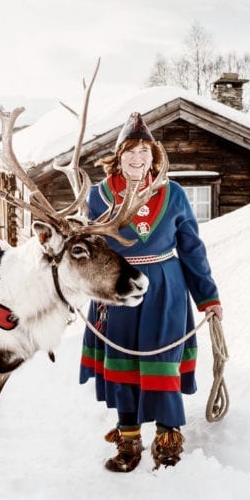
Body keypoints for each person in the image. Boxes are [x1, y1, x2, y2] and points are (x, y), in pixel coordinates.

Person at [80, 112, 223, 472]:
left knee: (162, 363)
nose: (137, 158)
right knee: (123, 365)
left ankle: (167, 440)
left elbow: (192, 250)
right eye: (130, 151)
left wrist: (208, 298)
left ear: (154, 156)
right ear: (118, 157)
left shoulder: (173, 194)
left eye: (144, 151)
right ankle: (129, 443)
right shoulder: (97, 197)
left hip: (165, 290)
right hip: (117, 291)